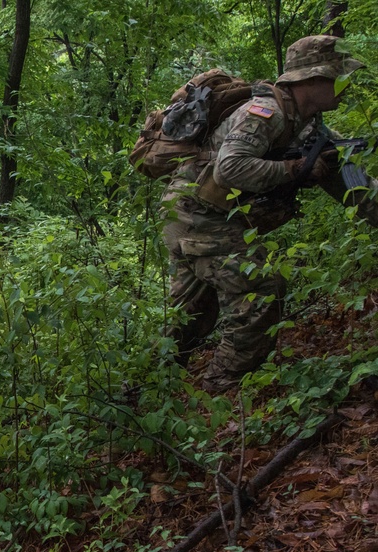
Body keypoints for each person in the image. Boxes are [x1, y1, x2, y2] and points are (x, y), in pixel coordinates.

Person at [160, 35, 378, 393]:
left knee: (191, 314)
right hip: (197, 216)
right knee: (262, 289)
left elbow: (358, 190)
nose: (346, 84)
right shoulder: (264, 114)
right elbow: (230, 169)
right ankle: (220, 389)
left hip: (203, 217)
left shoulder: (314, 130)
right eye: (338, 76)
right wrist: (296, 171)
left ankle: (149, 390)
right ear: (311, 79)